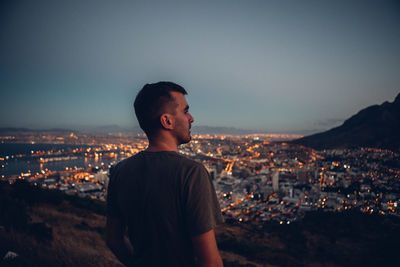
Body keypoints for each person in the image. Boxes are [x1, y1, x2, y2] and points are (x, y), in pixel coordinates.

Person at [106, 81, 224, 267]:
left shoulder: (120, 171)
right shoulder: (191, 173)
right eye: (185, 111)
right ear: (167, 121)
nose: (191, 118)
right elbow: (210, 262)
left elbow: (113, 239)